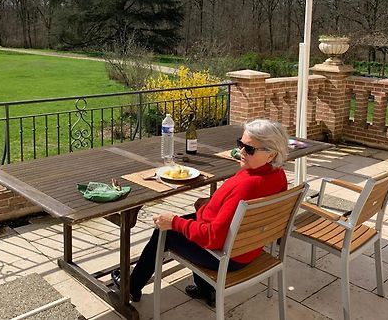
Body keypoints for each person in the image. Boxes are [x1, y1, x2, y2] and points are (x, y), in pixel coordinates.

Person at [111, 118, 289, 305]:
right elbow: (234, 209)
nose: (241, 152)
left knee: (164, 231)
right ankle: (205, 289)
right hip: (248, 247)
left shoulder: (247, 185)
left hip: (228, 257)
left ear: (271, 155)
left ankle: (131, 287)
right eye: (240, 144)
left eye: (250, 149)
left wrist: (173, 222)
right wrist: (211, 204)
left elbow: (213, 237)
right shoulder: (277, 175)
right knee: (190, 219)